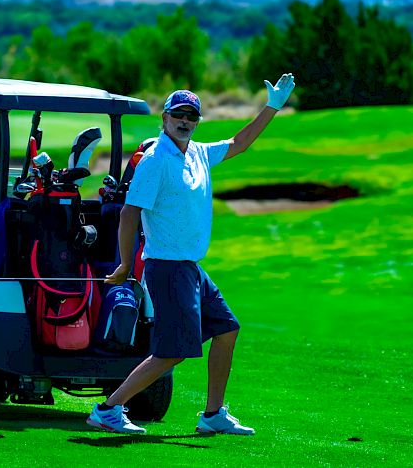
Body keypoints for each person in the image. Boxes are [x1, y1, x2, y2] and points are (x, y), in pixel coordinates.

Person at [87, 74, 295, 435]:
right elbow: (128, 214)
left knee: (227, 329)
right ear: (164, 118)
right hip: (166, 267)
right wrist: (124, 263)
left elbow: (239, 143)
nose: (185, 121)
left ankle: (213, 415)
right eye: (178, 115)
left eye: (191, 117)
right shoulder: (155, 160)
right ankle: (108, 408)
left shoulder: (198, 153)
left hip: (191, 267)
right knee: (172, 351)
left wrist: (272, 107)